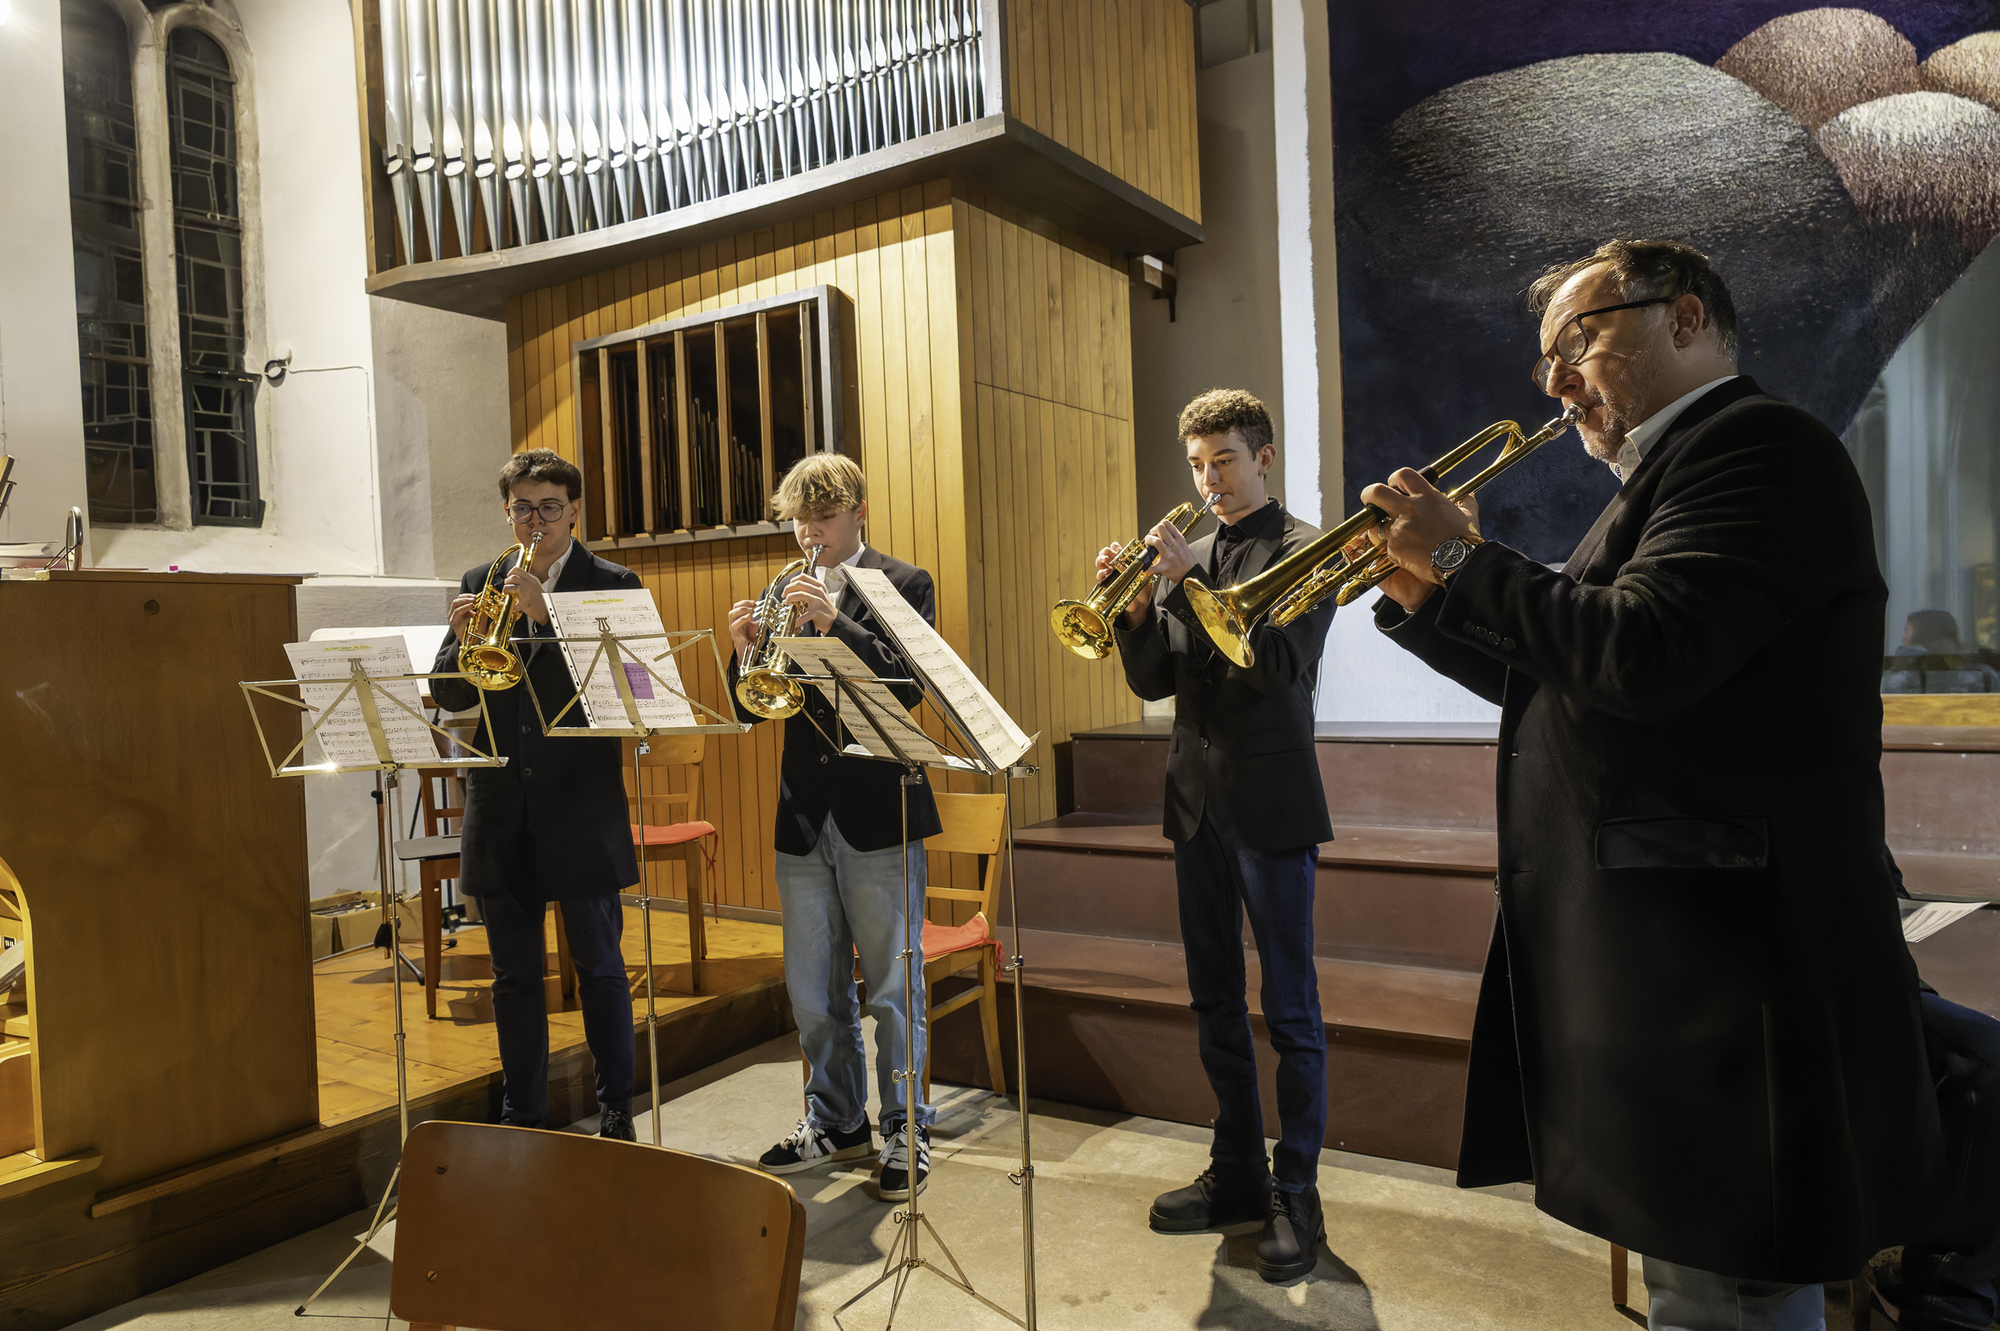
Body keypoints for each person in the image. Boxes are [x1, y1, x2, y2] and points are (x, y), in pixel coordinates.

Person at [1358, 237, 1941, 1330]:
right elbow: (1568, 684)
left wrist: (1471, 565)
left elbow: (1641, 652)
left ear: (1682, 318)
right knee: (1701, 1282)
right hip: (1679, 961)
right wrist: (1435, 599)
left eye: (1575, 341)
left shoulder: (1754, 447)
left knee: (1727, 1290)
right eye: (1543, 361)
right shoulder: (1667, 478)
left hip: (1728, 967)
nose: (1552, 380)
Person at [1108, 389, 1337, 1283]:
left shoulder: (1309, 547)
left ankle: (1300, 1190)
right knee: (1213, 1002)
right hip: (1195, 803)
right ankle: (1239, 1166)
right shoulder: (1191, 551)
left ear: (1265, 457)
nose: (1211, 482)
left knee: (1290, 1009)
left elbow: (1278, 663)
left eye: (1227, 462)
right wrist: (1131, 609)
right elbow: (1157, 677)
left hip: (1273, 802)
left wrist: (1185, 583)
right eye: (1199, 466)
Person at [728, 452, 943, 1201]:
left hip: (880, 811)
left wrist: (836, 622)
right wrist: (743, 655)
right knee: (814, 992)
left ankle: (907, 1129)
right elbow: (760, 706)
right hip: (802, 813)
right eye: (798, 519)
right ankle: (836, 1118)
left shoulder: (904, 583)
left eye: (821, 517)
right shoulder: (779, 586)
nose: (807, 532)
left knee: (890, 986)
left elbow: (909, 688)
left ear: (857, 514)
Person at [431, 448, 644, 1141]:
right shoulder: (482, 578)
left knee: (601, 968)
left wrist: (547, 620)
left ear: (575, 510)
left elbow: (611, 700)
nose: (536, 520)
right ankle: (523, 1117)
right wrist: (461, 642)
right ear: (507, 510)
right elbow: (451, 694)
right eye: (523, 507)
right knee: (513, 977)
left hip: (580, 807)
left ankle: (616, 1109)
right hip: (499, 808)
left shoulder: (612, 582)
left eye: (550, 506)